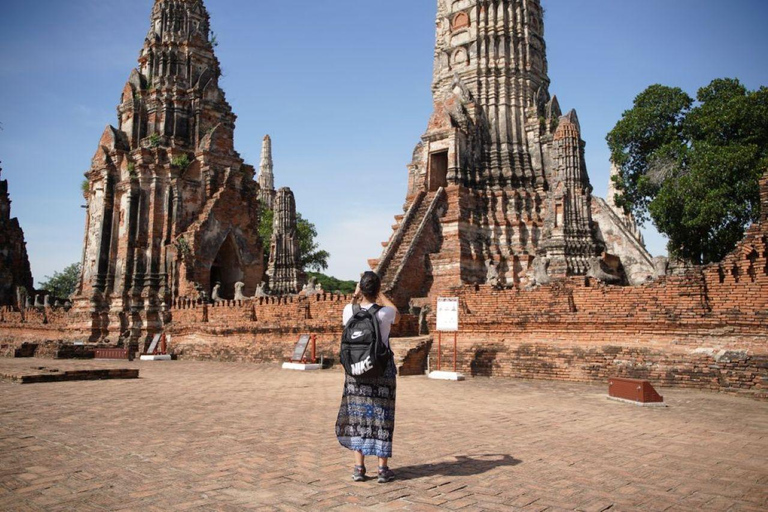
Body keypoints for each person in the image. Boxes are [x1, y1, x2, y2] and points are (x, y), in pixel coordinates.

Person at [335, 271, 401, 483]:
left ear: (360, 289)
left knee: (357, 416)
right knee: (383, 416)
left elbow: (350, 310)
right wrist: (380, 295)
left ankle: (359, 468)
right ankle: (382, 469)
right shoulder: (385, 313)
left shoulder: (349, 311)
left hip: (356, 370)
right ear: (377, 289)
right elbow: (398, 315)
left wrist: (356, 295)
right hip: (381, 369)